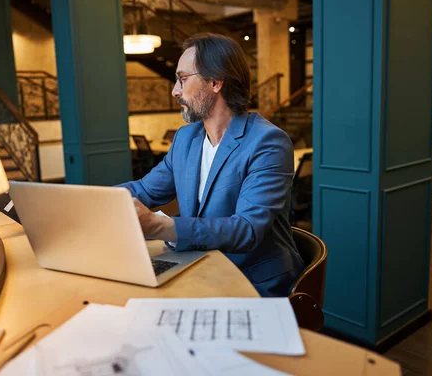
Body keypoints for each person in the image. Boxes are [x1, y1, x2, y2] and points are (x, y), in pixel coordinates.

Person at [119, 33, 304, 297]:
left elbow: (246, 229)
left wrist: (159, 226)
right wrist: (94, 201)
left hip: (254, 284)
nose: (175, 91)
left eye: (183, 79)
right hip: (201, 269)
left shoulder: (268, 142)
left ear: (216, 82)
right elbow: (145, 190)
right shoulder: (186, 138)